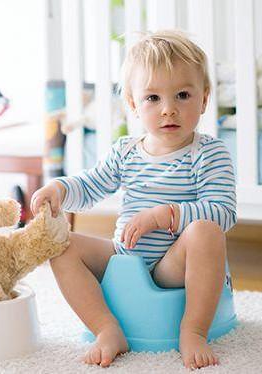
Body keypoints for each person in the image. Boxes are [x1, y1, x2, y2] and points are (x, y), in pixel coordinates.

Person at [31, 30, 236, 369]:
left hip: (174, 264)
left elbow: (222, 212)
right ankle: (106, 327)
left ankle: (194, 330)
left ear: (203, 99)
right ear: (132, 104)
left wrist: (164, 215)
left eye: (183, 95)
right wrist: (61, 190)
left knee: (206, 231)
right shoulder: (126, 151)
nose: (168, 109)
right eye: (153, 98)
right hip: (124, 256)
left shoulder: (209, 153)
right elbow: (93, 183)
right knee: (60, 245)